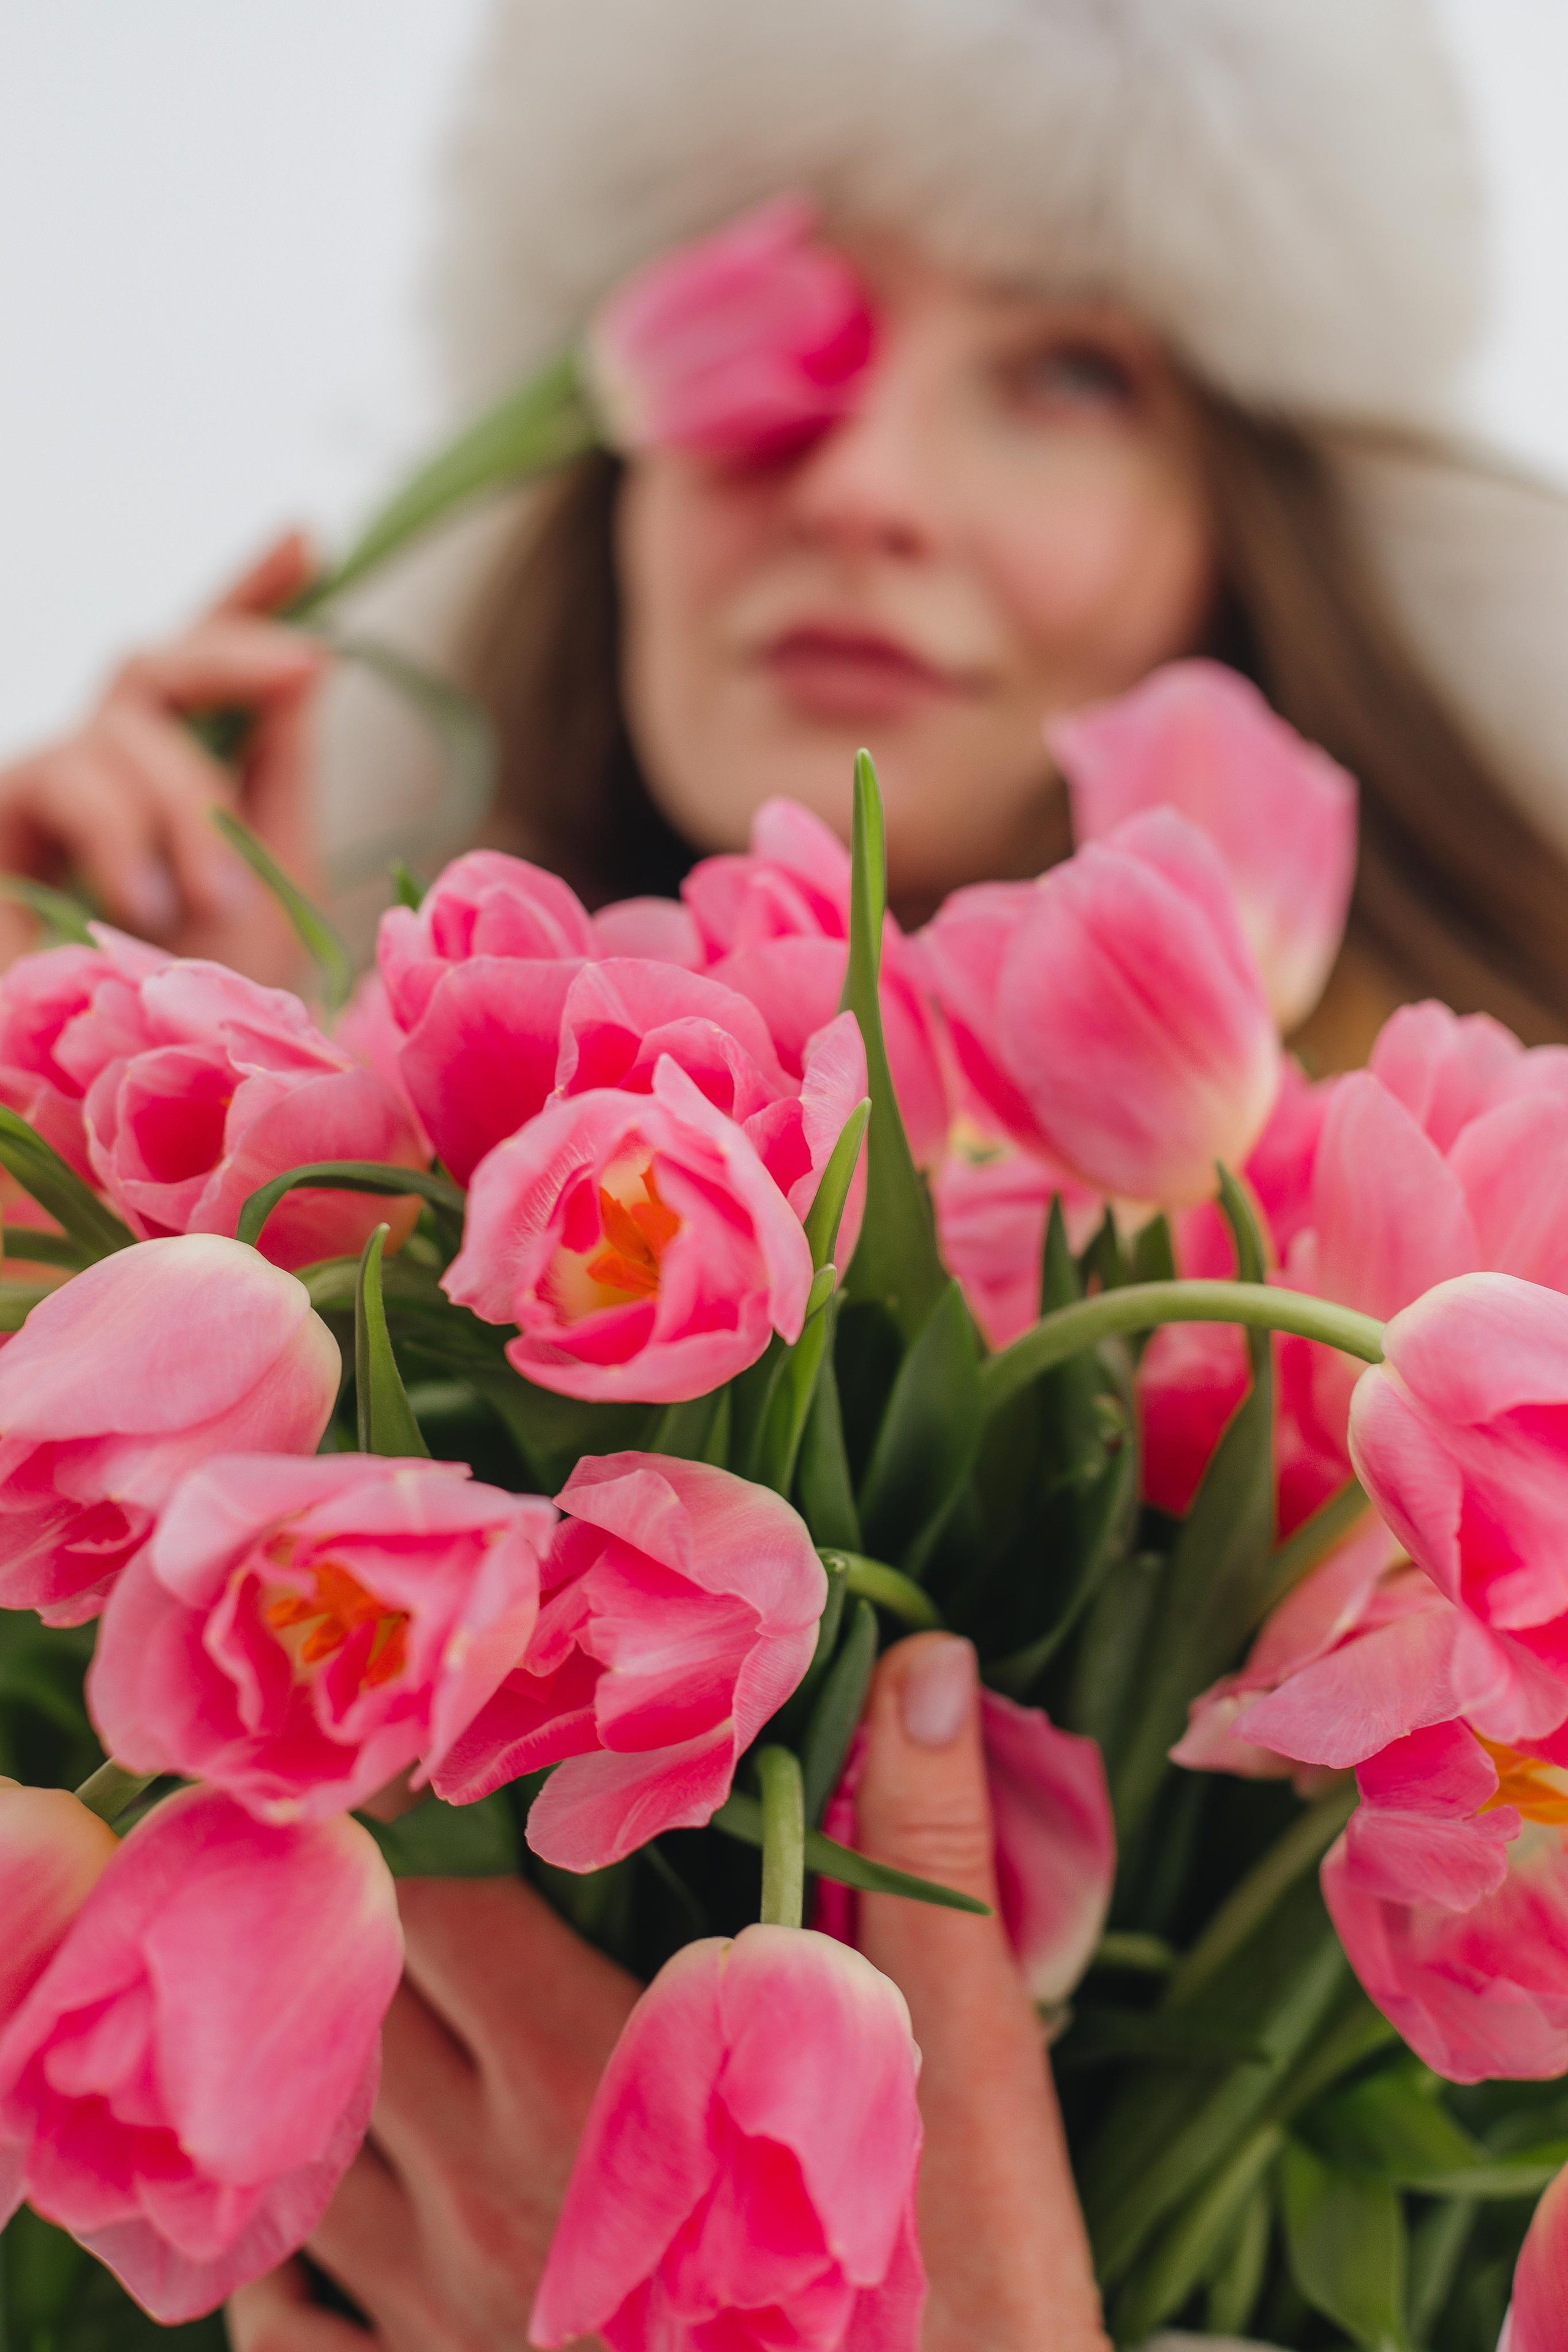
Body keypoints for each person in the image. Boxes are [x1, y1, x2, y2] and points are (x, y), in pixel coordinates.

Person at [9, 1, 1568, 2340]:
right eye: (789, 328)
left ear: (1239, 515)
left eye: (1066, 370)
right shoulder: (339, 1275)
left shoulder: (1461, 1345)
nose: (861, 482)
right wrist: (232, 1169)